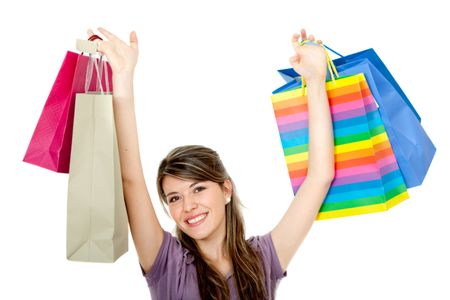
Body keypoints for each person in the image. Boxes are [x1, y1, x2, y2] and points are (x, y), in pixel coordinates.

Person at [88, 27, 335, 299]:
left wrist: (315, 80)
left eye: (198, 189)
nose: (188, 206)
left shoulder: (263, 260)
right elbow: (130, 179)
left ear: (226, 190)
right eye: (174, 198)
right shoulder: (168, 265)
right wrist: (123, 77)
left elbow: (320, 177)